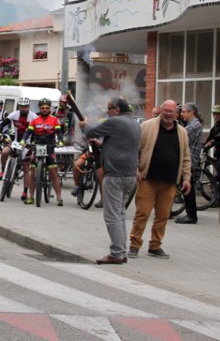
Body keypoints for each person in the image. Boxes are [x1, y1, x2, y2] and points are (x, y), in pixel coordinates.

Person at [80, 97, 141, 264]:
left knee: (112, 215)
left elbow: (90, 132)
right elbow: (118, 144)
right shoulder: (134, 123)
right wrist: (101, 146)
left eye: (109, 108)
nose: (107, 111)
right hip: (129, 174)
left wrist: (84, 125)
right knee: (119, 213)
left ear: (117, 110)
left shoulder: (115, 122)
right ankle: (121, 251)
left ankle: (116, 253)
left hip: (115, 174)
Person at [129, 100, 191, 259]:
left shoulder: (182, 132)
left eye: (172, 111)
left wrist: (187, 178)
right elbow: (134, 149)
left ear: (176, 114)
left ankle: (155, 246)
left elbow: (186, 158)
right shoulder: (147, 127)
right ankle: (134, 245)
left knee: (162, 216)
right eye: (166, 111)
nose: (168, 114)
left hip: (169, 182)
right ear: (161, 111)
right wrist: (135, 168)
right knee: (142, 213)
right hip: (148, 179)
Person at [176, 103, 203, 224]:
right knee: (186, 187)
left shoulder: (194, 125)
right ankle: (190, 213)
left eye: (184, 112)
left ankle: (191, 215)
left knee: (188, 188)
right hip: (189, 160)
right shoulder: (192, 124)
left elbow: (180, 136)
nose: (182, 114)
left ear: (192, 112)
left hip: (190, 161)